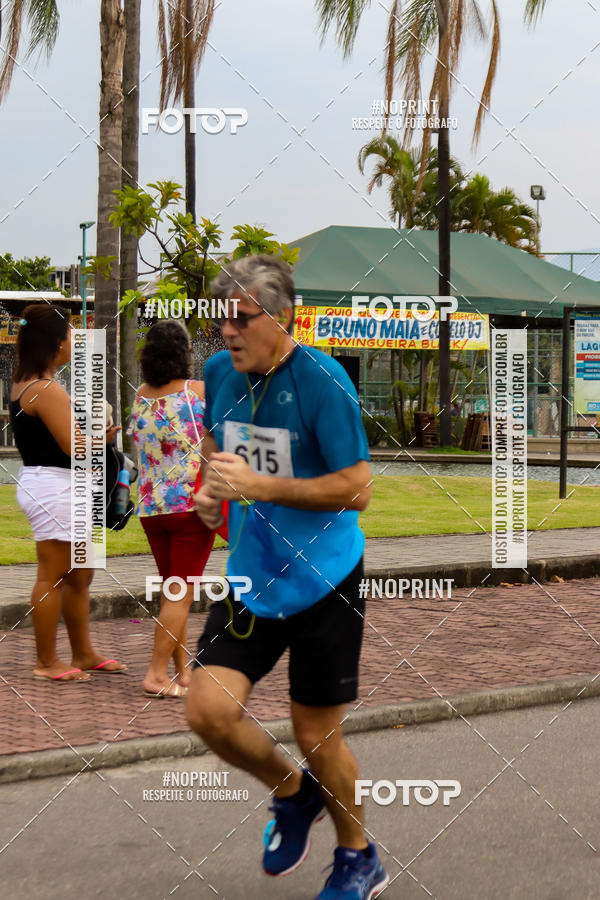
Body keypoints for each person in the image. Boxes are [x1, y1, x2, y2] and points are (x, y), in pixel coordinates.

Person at [187, 256, 388, 899]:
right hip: (251, 577)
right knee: (208, 712)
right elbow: (223, 457)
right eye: (222, 320)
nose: (228, 333)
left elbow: (358, 488)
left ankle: (359, 857)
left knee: (314, 734)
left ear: (283, 318)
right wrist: (210, 493)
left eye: (242, 320)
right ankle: (293, 793)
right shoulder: (220, 373)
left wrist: (264, 486)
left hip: (325, 578)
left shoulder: (324, 382)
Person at [9, 304, 126, 682]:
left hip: (60, 484)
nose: (76, 342)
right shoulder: (45, 388)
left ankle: (83, 652)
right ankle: (46, 662)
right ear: (56, 343)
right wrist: (102, 439)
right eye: (72, 336)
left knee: (80, 575)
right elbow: (74, 446)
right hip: (55, 487)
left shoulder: (27, 383)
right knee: (53, 574)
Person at [127, 319, 223, 699]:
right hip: (190, 507)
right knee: (180, 594)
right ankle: (154, 674)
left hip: (152, 508)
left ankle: (183, 671)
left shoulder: (140, 396)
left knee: (173, 592)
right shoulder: (196, 391)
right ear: (184, 354)